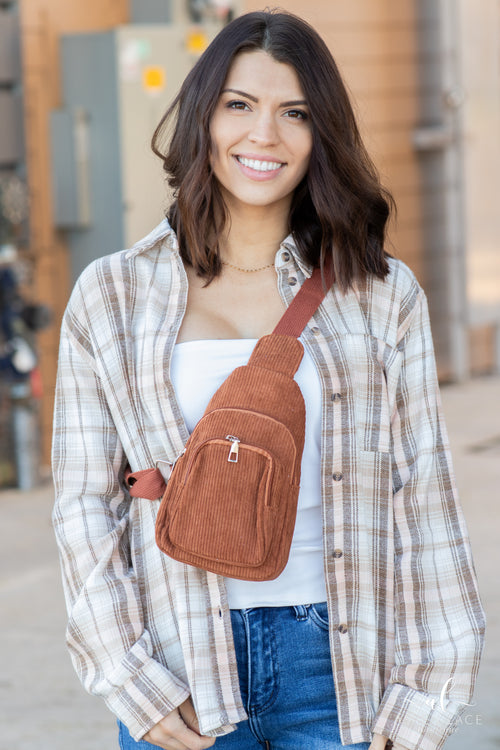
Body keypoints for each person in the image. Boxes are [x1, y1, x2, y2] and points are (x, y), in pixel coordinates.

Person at [52, 10, 485, 750]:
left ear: (323, 135)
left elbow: (424, 495)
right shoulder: (112, 294)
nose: (265, 136)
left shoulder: (379, 295)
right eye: (240, 105)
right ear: (203, 117)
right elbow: (83, 506)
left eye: (296, 113)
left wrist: (428, 688)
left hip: (340, 671)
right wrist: (126, 676)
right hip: (183, 664)